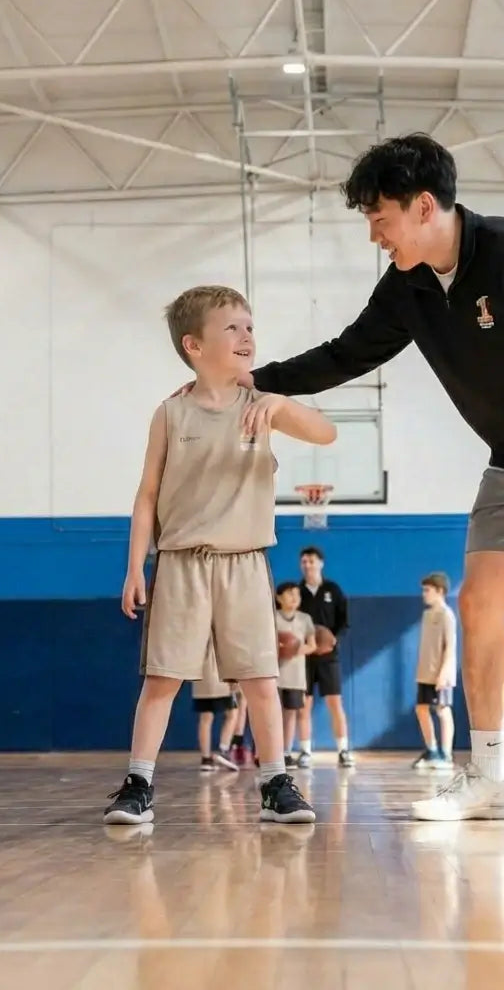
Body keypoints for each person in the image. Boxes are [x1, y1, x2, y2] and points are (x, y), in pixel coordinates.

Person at [245, 133, 504, 827]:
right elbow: (346, 354)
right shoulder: (408, 287)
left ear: (424, 206)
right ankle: (489, 778)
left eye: (380, 218)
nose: (375, 235)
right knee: (480, 606)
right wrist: (253, 384)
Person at [102, 284, 335, 826]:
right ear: (194, 346)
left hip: (245, 560)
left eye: (250, 326)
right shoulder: (170, 413)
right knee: (162, 677)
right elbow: (146, 496)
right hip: (181, 561)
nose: (246, 336)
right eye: (232, 327)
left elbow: (325, 432)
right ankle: (139, 784)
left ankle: (276, 781)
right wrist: (136, 565)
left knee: (259, 678)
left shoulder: (262, 405)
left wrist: (281, 402)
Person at [296, 546, 353, 768]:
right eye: (304, 561)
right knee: (304, 705)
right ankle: (305, 751)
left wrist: (333, 639)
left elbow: (344, 621)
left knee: (334, 703)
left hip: (329, 656)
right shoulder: (296, 592)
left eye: (311, 561)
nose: (307, 565)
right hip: (304, 656)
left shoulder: (333, 589)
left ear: (321, 563)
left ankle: (343, 749)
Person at [411, 571, 457, 771]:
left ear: (440, 591)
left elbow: (451, 647)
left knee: (443, 710)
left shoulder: (447, 615)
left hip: (441, 674)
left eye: (427, 590)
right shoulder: (427, 614)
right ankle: (432, 750)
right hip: (425, 673)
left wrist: (444, 673)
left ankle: (446, 755)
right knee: (421, 709)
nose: (424, 594)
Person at [273, 580, 317, 767]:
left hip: (295, 675)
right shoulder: (272, 617)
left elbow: (313, 645)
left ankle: (286, 752)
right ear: (278, 598)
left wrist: (295, 650)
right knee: (272, 715)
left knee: (290, 714)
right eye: (290, 594)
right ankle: (268, 752)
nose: (294, 597)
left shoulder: (305, 619)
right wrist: (279, 649)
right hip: (274, 674)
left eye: (297, 594)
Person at [191, 641, 241, 773]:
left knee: (205, 717)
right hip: (220, 676)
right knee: (233, 713)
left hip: (201, 676)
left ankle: (206, 759)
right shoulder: (223, 624)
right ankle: (223, 750)